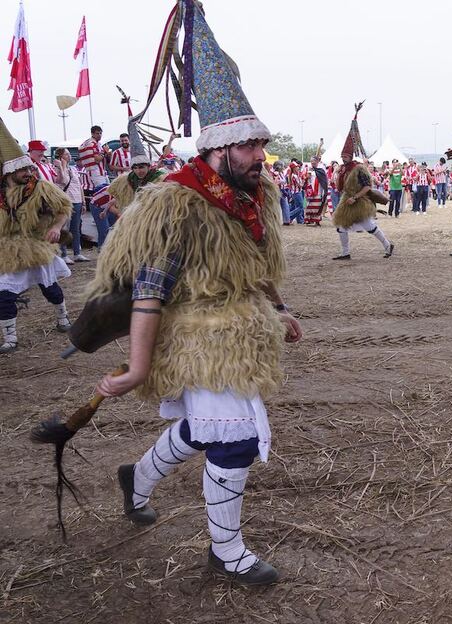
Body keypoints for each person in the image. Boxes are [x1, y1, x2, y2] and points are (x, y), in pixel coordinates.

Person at [89, 1, 300, 585]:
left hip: (243, 329)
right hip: (200, 338)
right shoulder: (177, 202)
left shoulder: (254, 194)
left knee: (205, 431)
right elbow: (149, 291)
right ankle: (225, 550)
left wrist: (280, 308)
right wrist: (136, 367)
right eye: (249, 145)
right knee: (232, 443)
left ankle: (138, 477)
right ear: (216, 147)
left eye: (261, 143)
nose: (261, 155)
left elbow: (256, 263)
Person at [0, 117, 73, 353]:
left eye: (28, 168)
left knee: (49, 288)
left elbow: (63, 209)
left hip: (37, 247)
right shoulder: (2, 194)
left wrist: (56, 227)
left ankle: (63, 318)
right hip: (9, 251)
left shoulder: (41, 187)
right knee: (3, 294)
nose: (28, 172)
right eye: (22, 169)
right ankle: (10, 338)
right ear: (9, 170)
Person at [332, 103, 394, 260]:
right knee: (340, 226)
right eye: (342, 156)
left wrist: (355, 197)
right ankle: (345, 253)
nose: (342, 158)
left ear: (350, 156)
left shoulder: (359, 168)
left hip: (359, 201)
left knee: (369, 227)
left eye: (345, 156)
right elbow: (339, 187)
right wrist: (338, 174)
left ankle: (388, 245)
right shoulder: (343, 168)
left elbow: (367, 186)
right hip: (347, 201)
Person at [103, 118, 166, 219]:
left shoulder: (158, 178)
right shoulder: (129, 178)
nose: (138, 171)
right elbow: (117, 197)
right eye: (135, 168)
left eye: (141, 167)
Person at [52, 147, 90, 264]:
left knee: (76, 228)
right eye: (66, 154)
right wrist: (62, 165)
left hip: (77, 200)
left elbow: (79, 186)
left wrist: (83, 201)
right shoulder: (57, 168)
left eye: (69, 154)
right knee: (64, 228)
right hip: (66, 202)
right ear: (60, 156)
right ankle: (63, 254)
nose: (69, 156)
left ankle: (77, 253)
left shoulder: (73, 169)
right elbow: (63, 181)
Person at [304, 152, 328, 226]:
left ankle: (316, 220)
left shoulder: (321, 170)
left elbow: (324, 180)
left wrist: (324, 189)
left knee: (317, 205)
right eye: (311, 161)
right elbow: (306, 180)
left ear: (317, 162)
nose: (312, 162)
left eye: (314, 161)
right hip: (310, 191)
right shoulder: (309, 170)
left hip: (319, 190)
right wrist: (306, 178)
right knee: (310, 205)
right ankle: (309, 219)